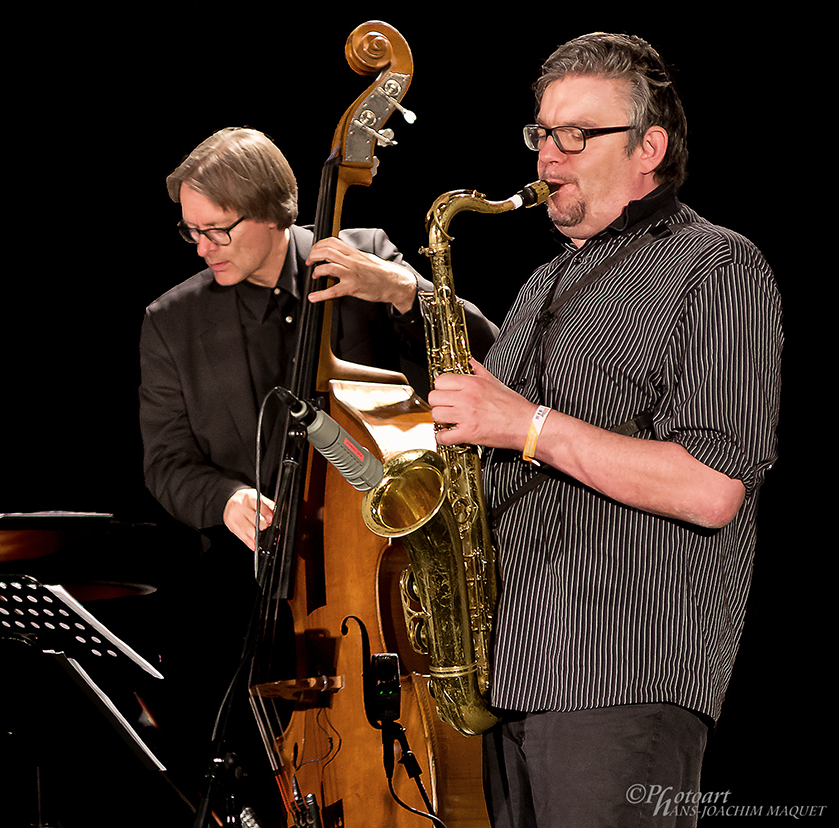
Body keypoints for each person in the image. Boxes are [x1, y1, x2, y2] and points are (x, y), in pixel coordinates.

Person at [425, 33, 782, 826]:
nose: (551, 156)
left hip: (620, 678)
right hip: (506, 680)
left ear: (649, 147)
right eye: (544, 133)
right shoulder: (542, 282)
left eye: (579, 135)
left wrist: (526, 426)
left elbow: (712, 485)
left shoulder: (717, 266)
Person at [137, 126, 497, 804]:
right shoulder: (171, 320)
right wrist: (225, 499)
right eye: (191, 233)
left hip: (380, 569)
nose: (203, 248)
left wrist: (399, 288)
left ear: (274, 213)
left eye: (217, 230)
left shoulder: (365, 258)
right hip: (256, 584)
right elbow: (166, 461)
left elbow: (488, 354)